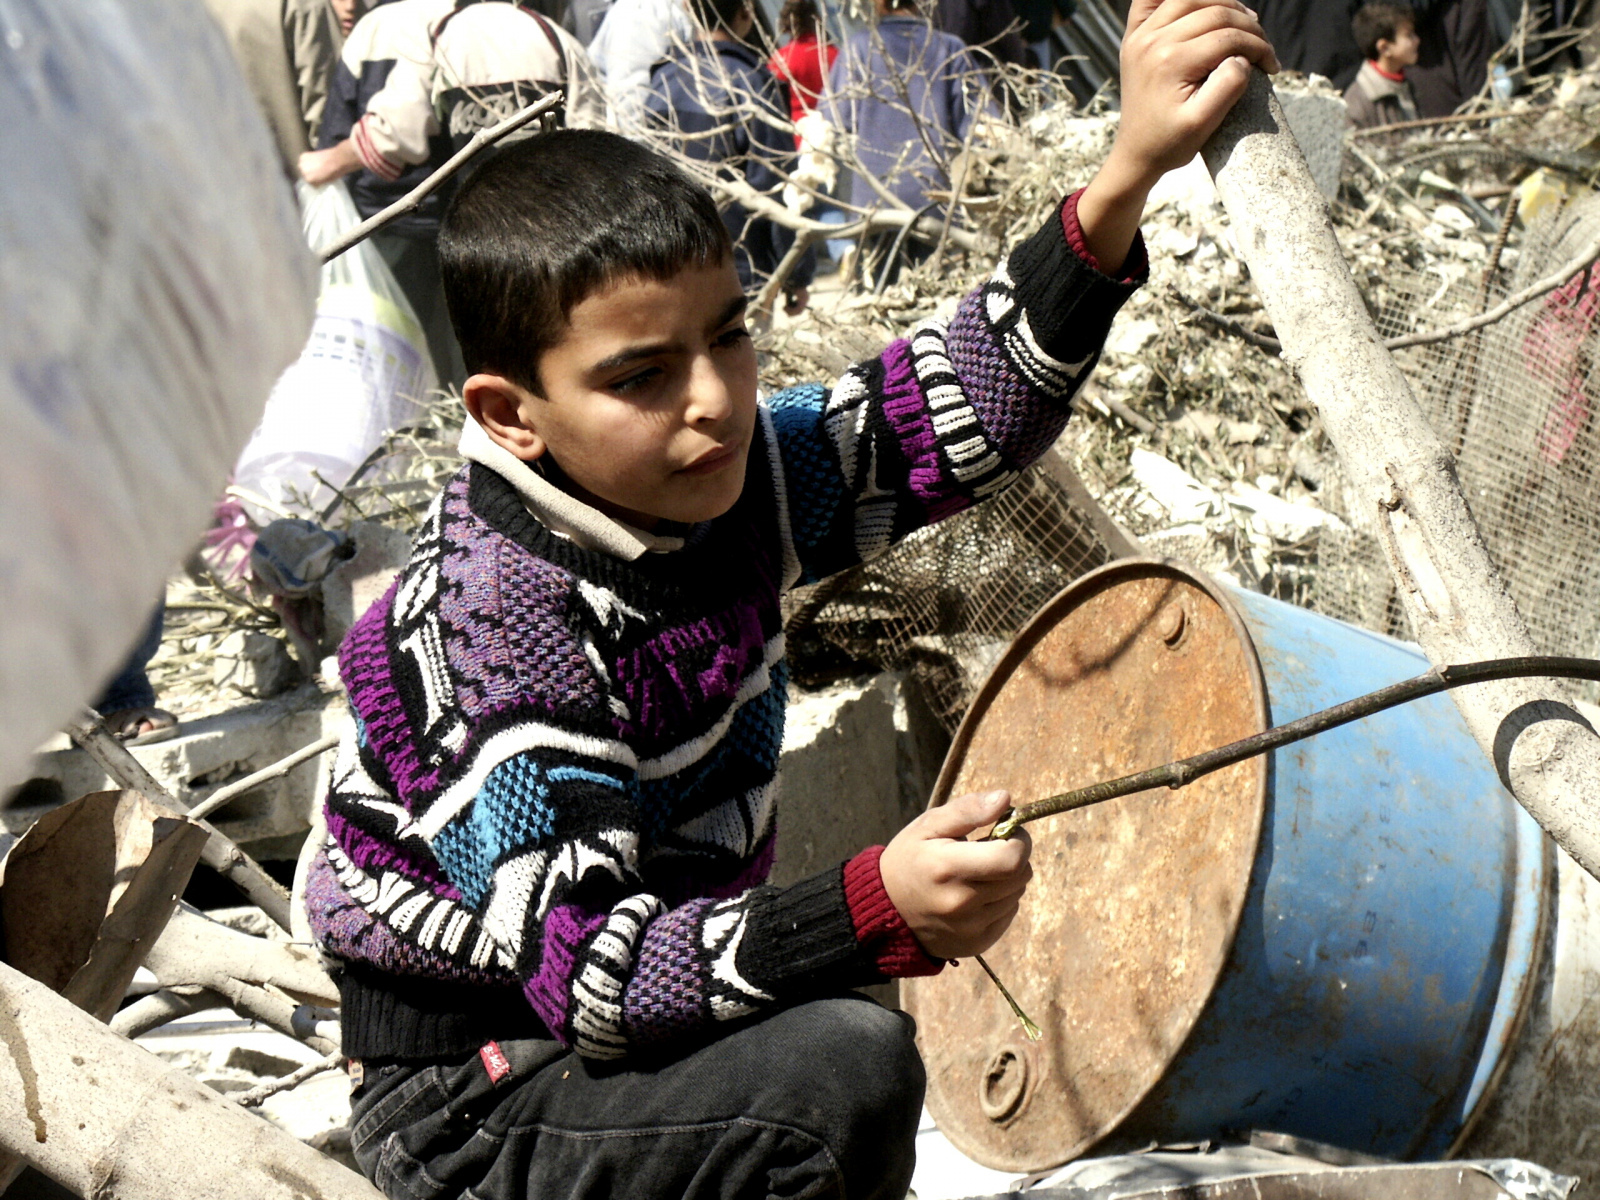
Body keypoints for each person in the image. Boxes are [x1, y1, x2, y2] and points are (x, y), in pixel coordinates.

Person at [303, 1, 1278, 1195]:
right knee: (840, 1075)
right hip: (477, 1096)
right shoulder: (500, 634)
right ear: (512, 415)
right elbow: (598, 978)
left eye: (727, 339)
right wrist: (873, 902)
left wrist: (1127, 173)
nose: (712, 399)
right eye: (641, 377)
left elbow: (936, 416)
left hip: (611, 1037)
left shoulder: (721, 481)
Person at [301, 0, 606, 386]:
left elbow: (396, 133)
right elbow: (598, 134)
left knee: (462, 348)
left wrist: (328, 161)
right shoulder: (554, 37)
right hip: (553, 230)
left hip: (475, 229)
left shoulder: (440, 39)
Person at [645, 0, 814, 306]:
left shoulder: (662, 79)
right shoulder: (752, 81)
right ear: (746, 11)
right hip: (740, 268)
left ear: (688, 9)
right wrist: (795, 274)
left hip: (672, 263)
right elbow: (775, 184)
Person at [822, 0, 992, 282]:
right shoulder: (949, 49)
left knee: (879, 297)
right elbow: (982, 131)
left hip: (873, 205)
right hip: (936, 205)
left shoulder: (858, 49)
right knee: (938, 301)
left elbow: (830, 125)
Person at [200, 0, 344, 176]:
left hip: (209, 180)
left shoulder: (181, 9)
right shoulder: (303, 5)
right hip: (293, 186)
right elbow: (332, 117)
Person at [1345, 2, 1421, 128]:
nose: (1417, 40)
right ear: (1384, 48)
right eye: (1409, 35)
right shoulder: (1358, 102)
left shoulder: (1409, 87)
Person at [768, 0, 838, 134]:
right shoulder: (834, 54)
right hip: (834, 129)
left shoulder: (781, 60)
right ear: (816, 18)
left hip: (801, 134)